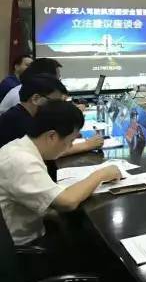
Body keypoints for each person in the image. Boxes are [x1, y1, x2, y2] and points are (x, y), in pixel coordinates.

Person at [0, 100, 121, 246]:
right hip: (22, 246)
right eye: (70, 141)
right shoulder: (21, 161)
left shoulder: (21, 147)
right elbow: (67, 202)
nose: (70, 146)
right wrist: (101, 174)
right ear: (52, 136)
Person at [0, 74, 103, 154]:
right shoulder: (17, 121)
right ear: (36, 99)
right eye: (55, 102)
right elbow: (45, 152)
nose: (59, 107)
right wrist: (87, 145)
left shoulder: (26, 114)